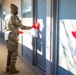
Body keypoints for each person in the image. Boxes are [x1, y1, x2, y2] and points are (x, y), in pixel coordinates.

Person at [4, 3, 33, 74]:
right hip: (13, 38)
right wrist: (31, 27)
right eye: (16, 10)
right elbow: (21, 26)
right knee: (14, 53)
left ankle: (8, 67)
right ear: (14, 10)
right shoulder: (14, 17)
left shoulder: (7, 16)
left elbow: (8, 27)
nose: (17, 11)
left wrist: (15, 30)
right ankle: (12, 69)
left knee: (10, 52)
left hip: (7, 36)